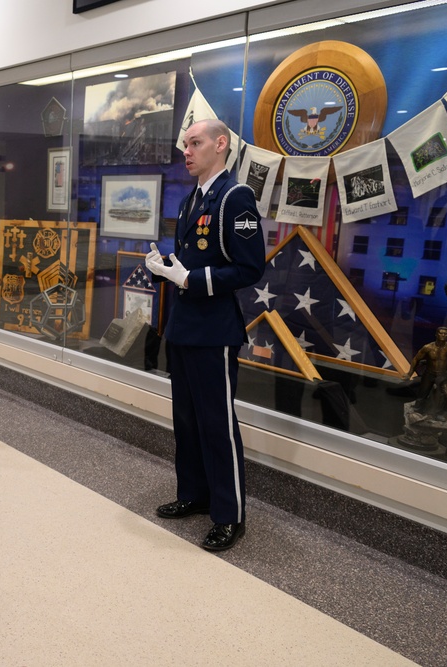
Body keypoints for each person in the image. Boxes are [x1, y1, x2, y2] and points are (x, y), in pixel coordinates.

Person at [145, 118, 265, 552]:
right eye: (185, 145)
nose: (187, 152)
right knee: (187, 421)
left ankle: (229, 514)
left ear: (220, 144)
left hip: (214, 331)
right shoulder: (191, 199)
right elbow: (189, 258)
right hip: (184, 326)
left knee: (217, 424)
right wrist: (165, 268)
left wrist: (190, 279)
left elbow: (251, 268)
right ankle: (194, 494)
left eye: (194, 143)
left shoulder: (236, 197)